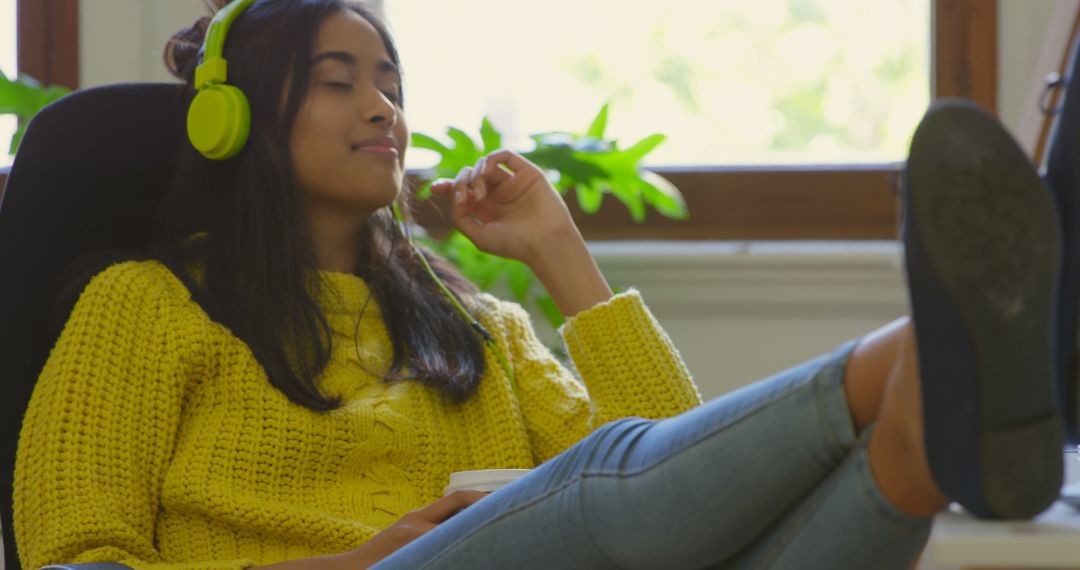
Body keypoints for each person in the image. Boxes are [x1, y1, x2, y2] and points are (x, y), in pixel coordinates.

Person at [12, 1, 1067, 569]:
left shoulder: (475, 326)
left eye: (391, 82)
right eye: (338, 83)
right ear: (230, 123)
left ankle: (916, 439)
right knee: (585, 483)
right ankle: (915, 362)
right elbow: (73, 564)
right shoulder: (143, 308)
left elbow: (685, 492)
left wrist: (561, 252)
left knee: (751, 535)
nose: (382, 107)